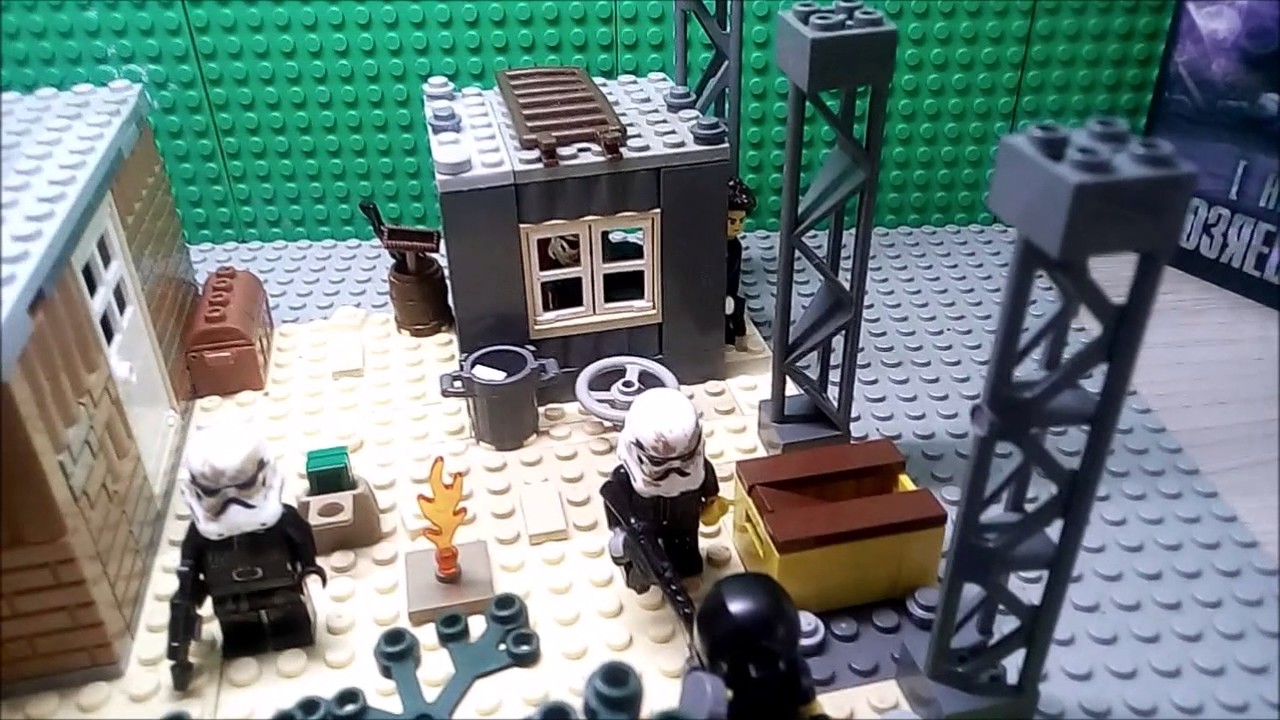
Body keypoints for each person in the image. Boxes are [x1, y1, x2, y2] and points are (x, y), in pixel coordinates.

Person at [167, 423, 326, 691]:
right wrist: (187, 603)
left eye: (244, 487)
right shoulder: (200, 537)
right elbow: (189, 573)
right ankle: (245, 643)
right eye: (215, 493)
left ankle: (293, 634)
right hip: (230, 599)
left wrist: (309, 567)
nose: (232, 503)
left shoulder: (283, 520)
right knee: (240, 637)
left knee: (292, 626)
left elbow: (301, 538)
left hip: (281, 588)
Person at [726, 177, 758, 350]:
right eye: (732, 221)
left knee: (734, 311)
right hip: (715, 296)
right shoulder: (714, 247)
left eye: (741, 221)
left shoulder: (735, 246)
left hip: (729, 294)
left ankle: (737, 339)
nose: (737, 226)